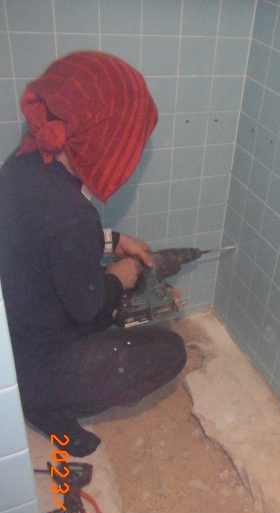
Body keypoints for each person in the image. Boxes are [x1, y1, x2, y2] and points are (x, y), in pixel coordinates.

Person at [0, 51, 186, 457]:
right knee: (169, 351)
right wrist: (119, 277)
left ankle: (38, 396)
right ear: (105, 138)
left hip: (13, 345)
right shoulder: (71, 214)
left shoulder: (23, 165)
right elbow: (89, 310)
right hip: (39, 363)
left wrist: (112, 240)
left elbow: (48, 241)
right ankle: (45, 405)